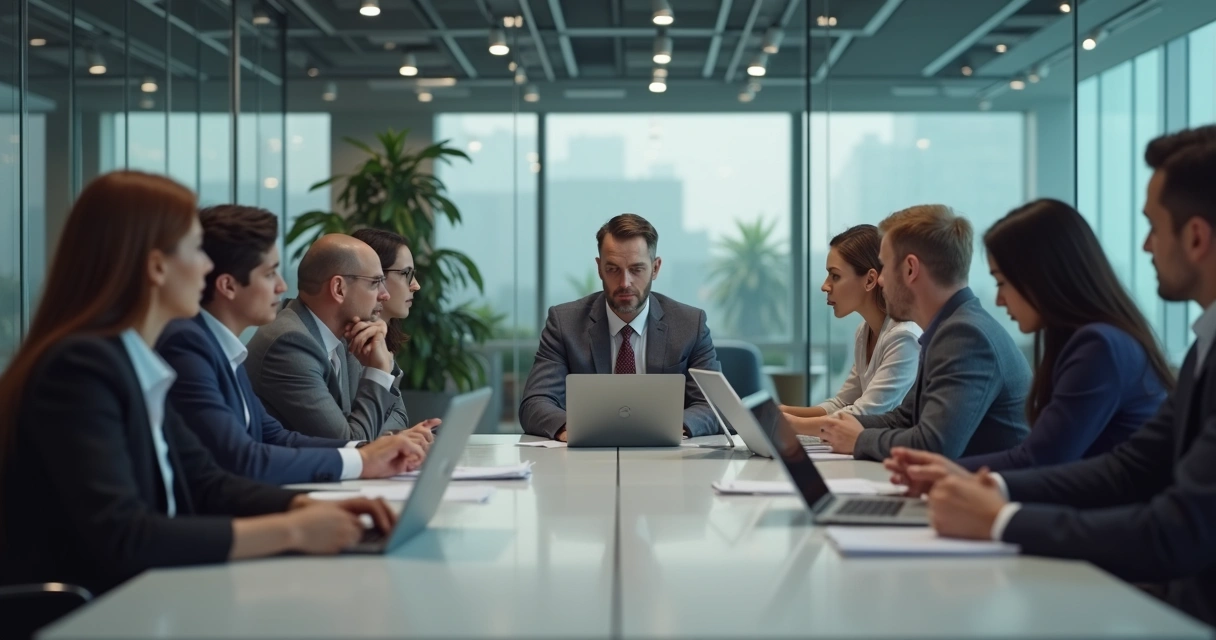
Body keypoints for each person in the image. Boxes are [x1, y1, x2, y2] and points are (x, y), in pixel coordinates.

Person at [0, 171, 395, 595]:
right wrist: (294, 530)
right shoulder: (80, 369)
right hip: (95, 611)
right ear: (156, 266)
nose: (207, 267)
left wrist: (304, 505)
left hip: (149, 595)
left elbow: (206, 480)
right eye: (195, 249)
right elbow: (124, 535)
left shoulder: (131, 360)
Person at [888, 127, 1216, 626]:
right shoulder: (1200, 348)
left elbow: (1175, 529)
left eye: (1153, 226)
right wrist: (988, 487)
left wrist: (999, 518)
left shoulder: (1101, 344)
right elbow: (1129, 467)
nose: (1146, 245)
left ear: (1195, 237)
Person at [157, 206, 437, 486]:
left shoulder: (226, 349)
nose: (282, 287)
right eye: (270, 274)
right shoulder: (279, 342)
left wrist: (373, 451)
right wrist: (364, 456)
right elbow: (244, 459)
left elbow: (277, 438)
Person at [947, 199, 1170, 472]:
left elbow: (1039, 460)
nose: (999, 299)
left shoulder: (1099, 347)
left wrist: (941, 471)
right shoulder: (1091, 340)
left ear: (1042, 276)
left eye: (1001, 282)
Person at [800, 205, 1032, 461]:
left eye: (884, 266)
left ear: (910, 269)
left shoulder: (964, 335)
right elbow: (904, 418)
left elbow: (934, 444)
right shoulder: (949, 327)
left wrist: (859, 439)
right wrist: (845, 428)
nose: (880, 281)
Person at [520, 214, 721, 440]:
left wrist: (669, 428)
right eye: (613, 269)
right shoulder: (564, 324)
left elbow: (713, 405)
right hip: (587, 455)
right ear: (599, 268)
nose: (625, 283)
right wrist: (575, 430)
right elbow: (535, 403)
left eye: (636, 269)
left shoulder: (690, 325)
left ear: (655, 268)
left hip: (667, 454)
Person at [245, 234, 411, 442]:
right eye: (375, 283)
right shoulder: (289, 344)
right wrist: (378, 372)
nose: (384, 295)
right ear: (339, 288)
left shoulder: (345, 333)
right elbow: (349, 443)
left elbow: (395, 419)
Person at [781, 224, 921, 419]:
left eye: (835, 276)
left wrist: (789, 423)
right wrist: (782, 412)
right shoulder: (864, 332)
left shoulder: (904, 337)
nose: (825, 286)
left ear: (870, 280)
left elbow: (863, 414)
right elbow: (842, 403)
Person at [351, 228, 420, 356]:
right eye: (406, 273)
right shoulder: (342, 349)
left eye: (413, 274)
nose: (416, 286)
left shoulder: (382, 339)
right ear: (375, 274)